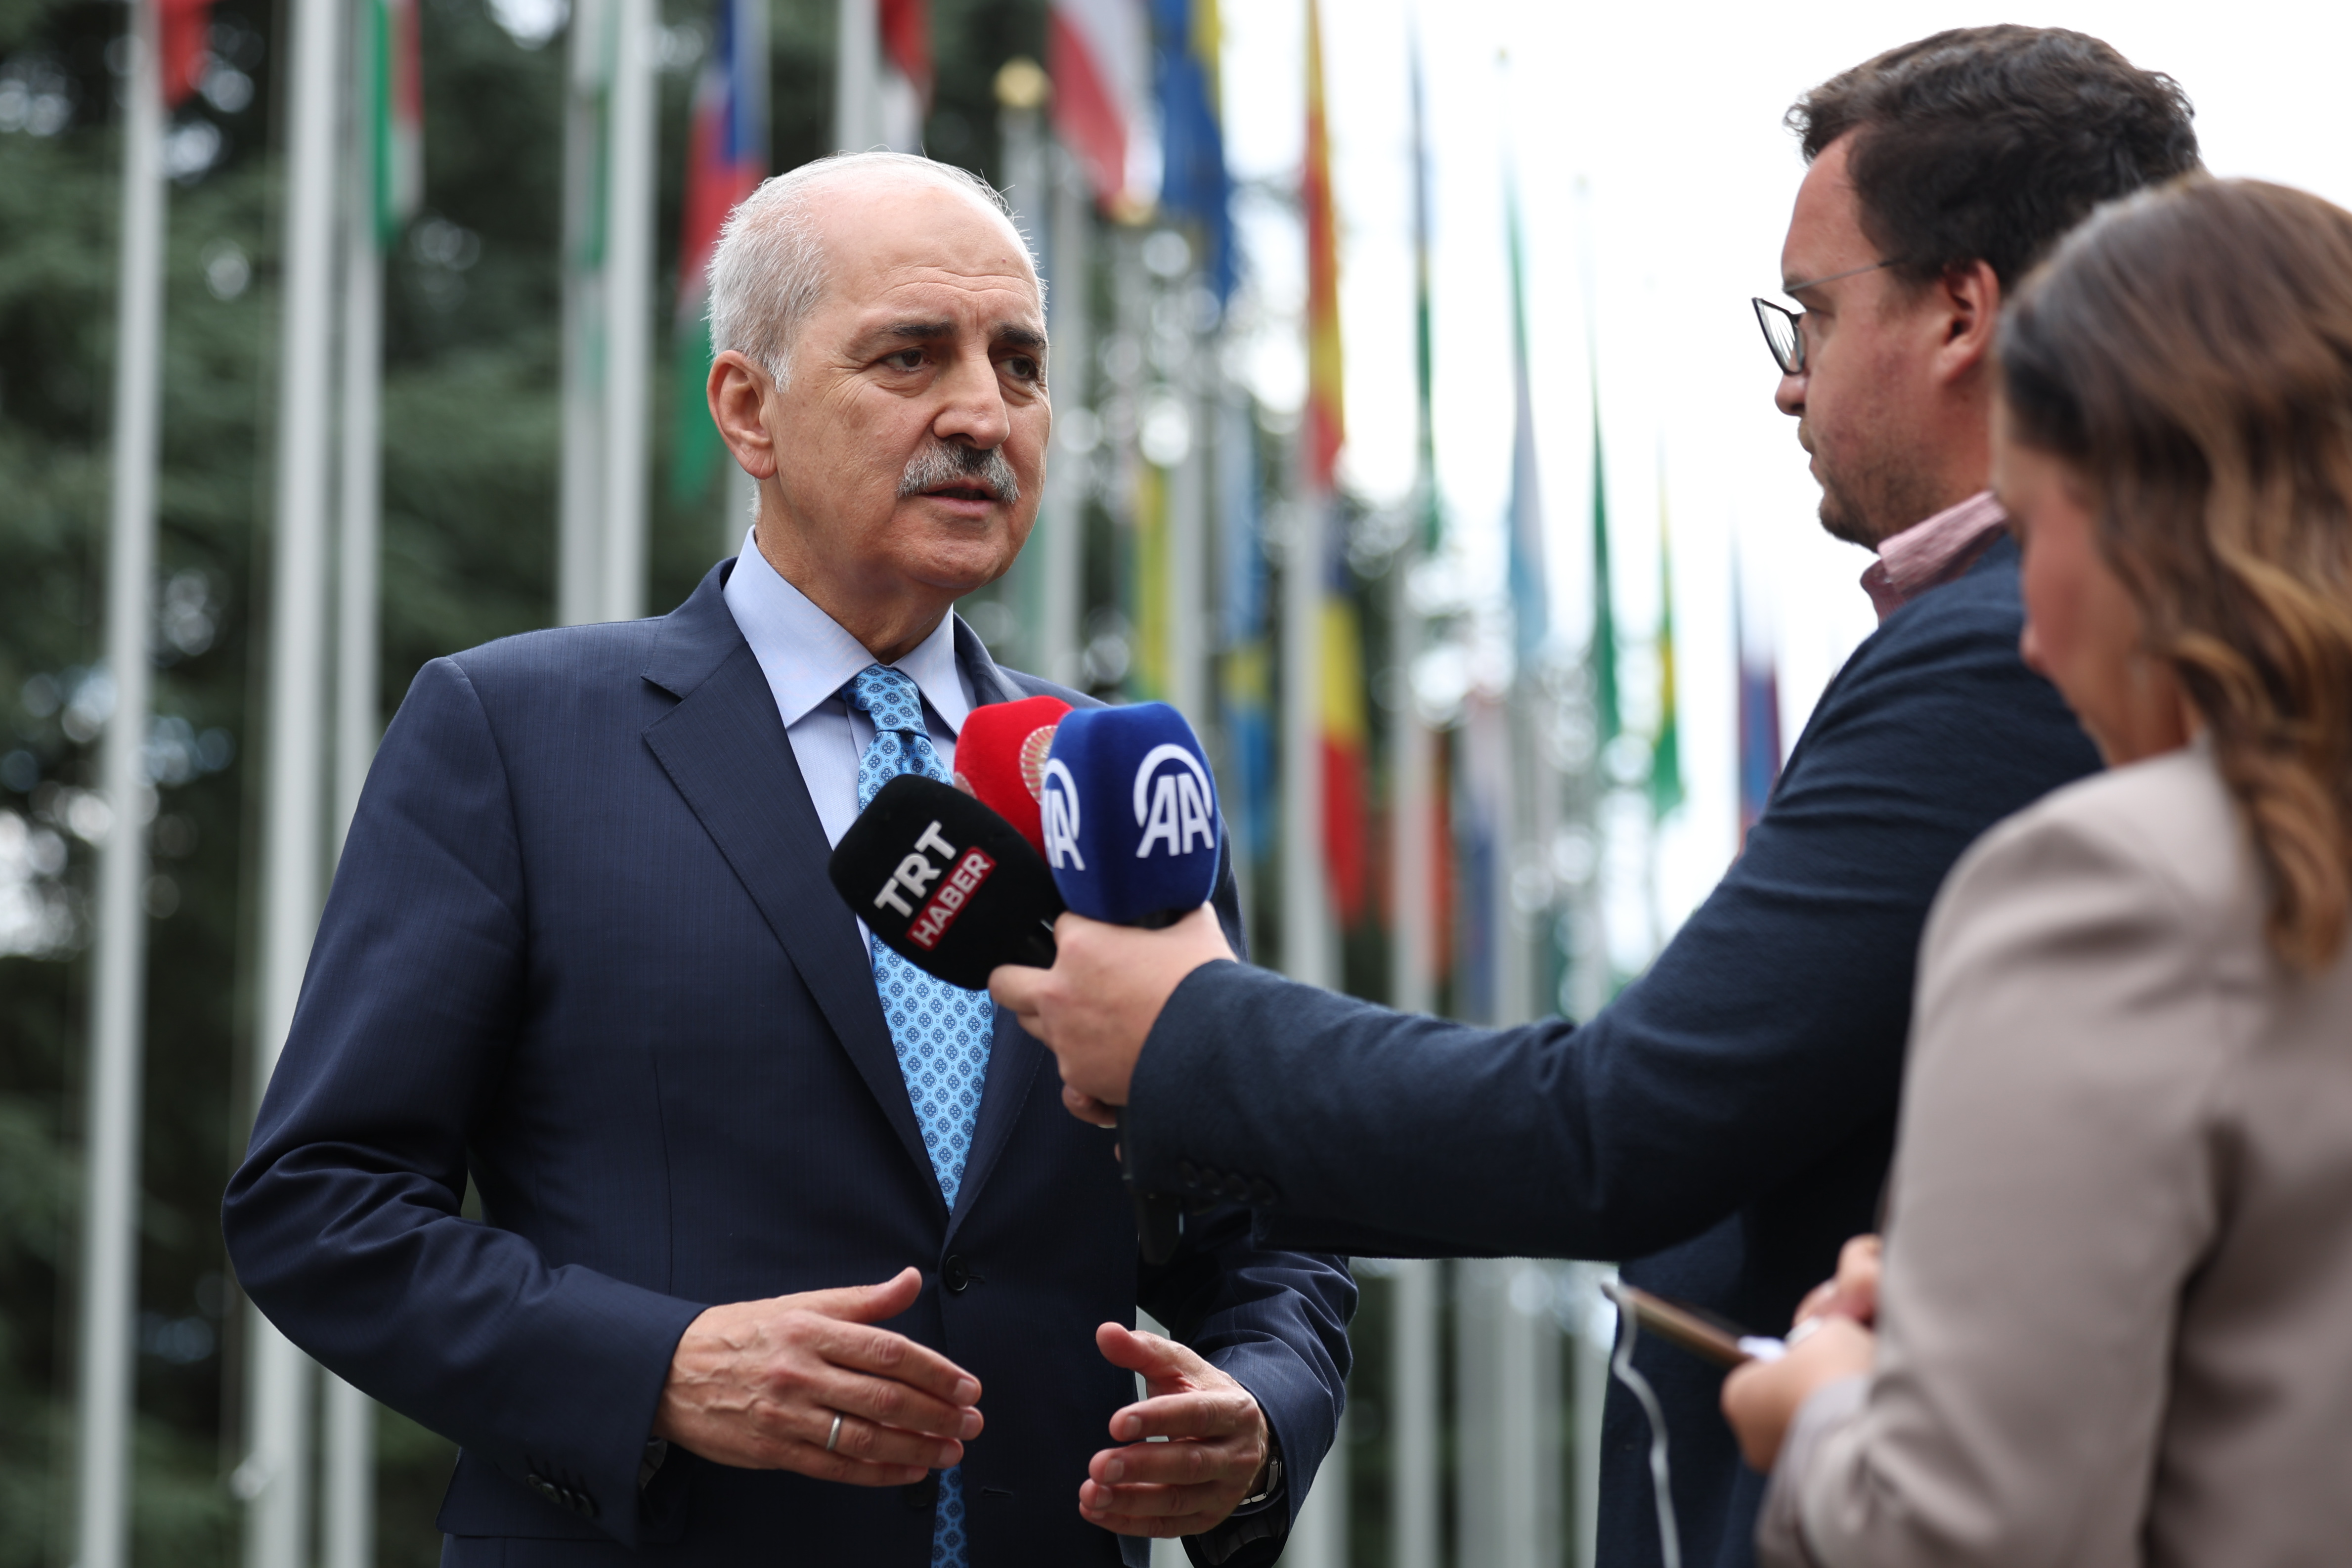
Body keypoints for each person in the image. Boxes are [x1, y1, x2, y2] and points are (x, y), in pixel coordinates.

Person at [991, 29, 2198, 1567]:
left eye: (1815, 314)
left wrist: (1187, 1028)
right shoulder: (2082, 634)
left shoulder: (1999, 655)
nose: (1788, 379)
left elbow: (1622, 1131)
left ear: (1962, 311)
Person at [220, 152, 1351, 1568]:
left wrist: (1260, 1413)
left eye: (1020, 364)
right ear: (748, 408)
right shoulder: (513, 734)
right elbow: (322, 1204)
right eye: (911, 356)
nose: (983, 414)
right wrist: (660, 1367)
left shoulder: (1113, 784)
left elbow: (1264, 1233)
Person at [1719, 174, 2352, 1568]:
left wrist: (1826, 1409)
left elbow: (1964, 1532)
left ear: (2146, 526)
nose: (2027, 638)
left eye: (2035, 519)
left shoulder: (2107, 887)